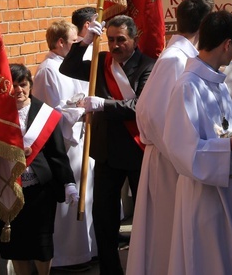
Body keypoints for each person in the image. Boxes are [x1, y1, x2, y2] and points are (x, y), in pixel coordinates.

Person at [163, 11, 232, 275]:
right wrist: (229, 146)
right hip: (204, 198)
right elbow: (180, 149)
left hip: (230, 189)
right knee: (209, 262)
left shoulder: (217, 83)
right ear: (227, 45)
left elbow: (229, 130)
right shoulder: (188, 86)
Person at [59, 14, 155, 275]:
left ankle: (146, 266)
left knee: (146, 216)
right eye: (110, 40)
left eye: (121, 40)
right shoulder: (102, 61)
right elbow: (66, 69)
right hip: (107, 152)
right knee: (104, 218)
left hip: (138, 150)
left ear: (134, 39)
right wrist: (85, 41)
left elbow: (141, 106)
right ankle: (110, 270)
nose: (115, 45)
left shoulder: (148, 65)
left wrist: (104, 104)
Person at [127, 0, 212, 275]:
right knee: (166, 232)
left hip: (175, 157)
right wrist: (185, 156)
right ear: (203, 25)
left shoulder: (183, 56)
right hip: (170, 161)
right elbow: (153, 114)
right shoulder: (175, 59)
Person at [0, 64, 78, 275]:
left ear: (30, 85)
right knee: (15, 244)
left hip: (40, 189)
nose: (18, 90)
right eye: (13, 86)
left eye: (23, 84)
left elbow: (57, 154)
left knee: (41, 242)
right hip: (8, 188)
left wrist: (68, 182)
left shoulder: (45, 113)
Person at [32, 21, 96, 270]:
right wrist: (77, 110)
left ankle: (84, 251)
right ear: (60, 43)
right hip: (63, 145)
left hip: (80, 139)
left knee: (86, 196)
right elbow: (49, 113)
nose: (78, 46)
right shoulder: (48, 70)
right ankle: (65, 257)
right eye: (74, 42)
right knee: (69, 202)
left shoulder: (67, 66)